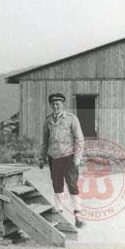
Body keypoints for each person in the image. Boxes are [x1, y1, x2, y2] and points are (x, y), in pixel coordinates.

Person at [39, 93, 85, 228]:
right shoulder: (48, 121)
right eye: (53, 104)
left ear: (63, 105)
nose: (55, 106)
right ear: (50, 106)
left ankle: (78, 217)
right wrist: (41, 157)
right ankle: (58, 216)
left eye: (58, 104)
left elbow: (79, 139)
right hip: (53, 157)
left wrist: (78, 157)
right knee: (57, 186)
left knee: (72, 185)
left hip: (69, 157)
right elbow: (45, 141)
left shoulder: (72, 119)